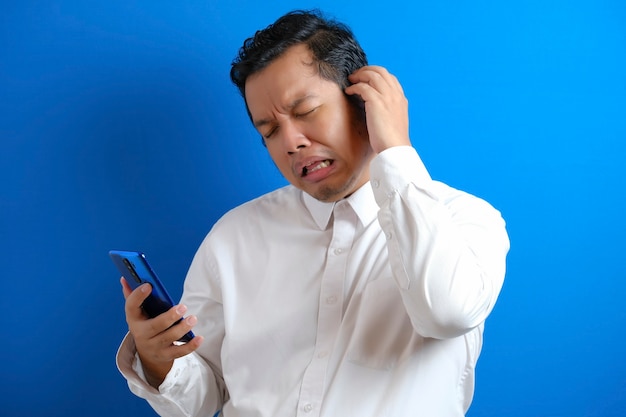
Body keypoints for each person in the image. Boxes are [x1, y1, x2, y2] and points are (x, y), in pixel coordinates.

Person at [116, 9, 510, 417]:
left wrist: (395, 148)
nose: (290, 142)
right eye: (268, 130)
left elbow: (445, 313)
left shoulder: (465, 220)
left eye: (304, 111)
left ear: (363, 101)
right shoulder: (233, 237)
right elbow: (201, 399)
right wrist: (159, 358)